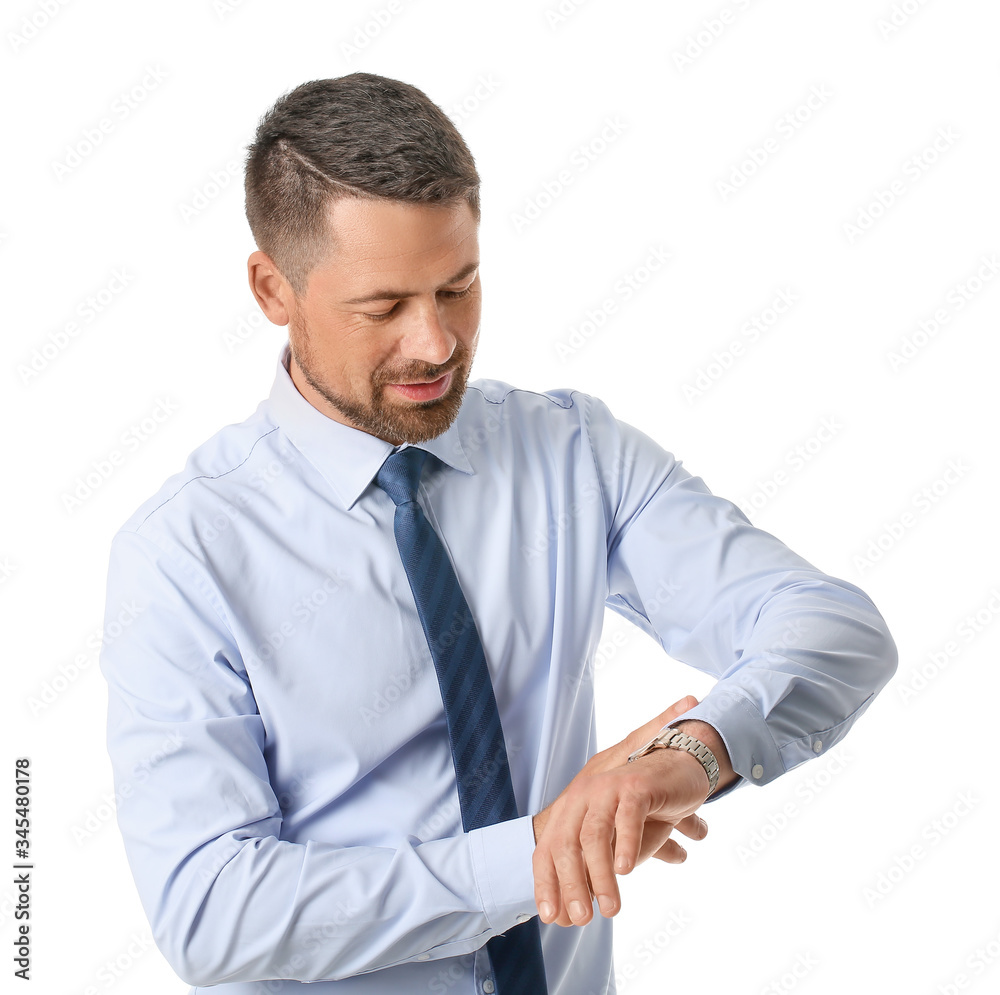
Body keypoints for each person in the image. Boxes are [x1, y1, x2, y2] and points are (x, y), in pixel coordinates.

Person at [99, 72, 898, 995]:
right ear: (272, 289)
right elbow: (213, 913)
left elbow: (834, 628)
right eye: (384, 306)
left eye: (459, 285)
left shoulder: (571, 452)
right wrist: (542, 856)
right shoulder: (183, 552)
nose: (436, 343)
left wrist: (694, 752)